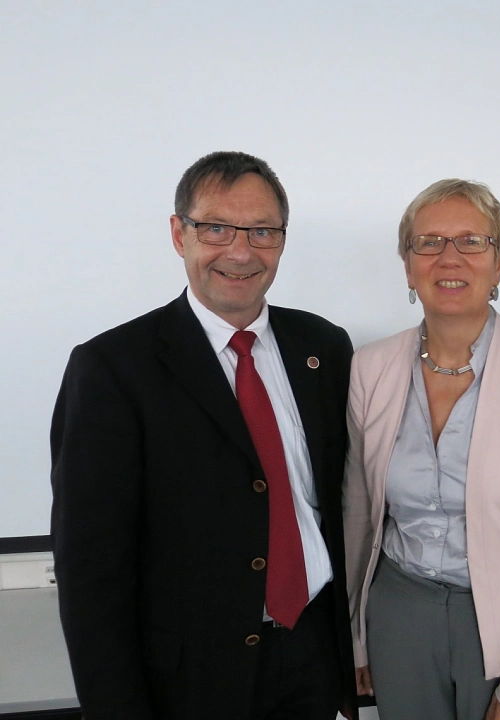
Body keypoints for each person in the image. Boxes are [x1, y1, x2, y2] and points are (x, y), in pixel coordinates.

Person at [50, 151, 356, 720]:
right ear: (178, 233)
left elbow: (333, 508)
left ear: (282, 240)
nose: (240, 251)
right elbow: (91, 573)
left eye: (261, 231)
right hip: (189, 682)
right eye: (216, 227)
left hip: (315, 653)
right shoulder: (113, 369)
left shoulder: (324, 348)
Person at [343, 179, 500, 720]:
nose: (449, 257)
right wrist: (357, 636)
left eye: (471, 241)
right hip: (399, 617)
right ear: (408, 265)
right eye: (429, 242)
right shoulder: (371, 366)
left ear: (499, 263)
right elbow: (360, 517)